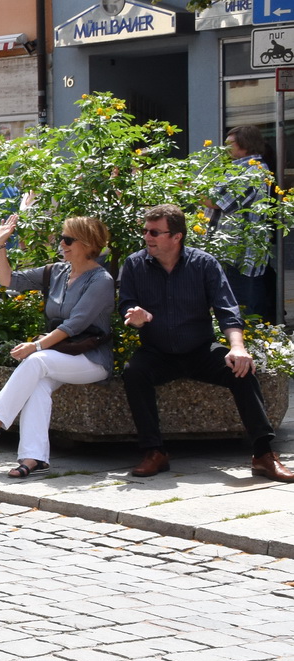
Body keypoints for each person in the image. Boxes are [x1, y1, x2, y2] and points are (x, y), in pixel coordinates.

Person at [119, 204, 294, 481]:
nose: (147, 237)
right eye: (145, 231)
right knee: (134, 372)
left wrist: (238, 347)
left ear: (176, 236)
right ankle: (154, 451)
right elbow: (127, 304)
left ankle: (263, 454)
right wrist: (136, 317)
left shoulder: (203, 263)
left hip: (200, 350)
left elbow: (227, 309)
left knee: (241, 370)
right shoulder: (134, 264)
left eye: (154, 232)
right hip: (157, 351)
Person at [0, 215, 116, 477]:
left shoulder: (101, 280)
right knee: (39, 385)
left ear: (88, 243)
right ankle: (34, 458)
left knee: (36, 360)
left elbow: (75, 325)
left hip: (92, 359)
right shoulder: (56, 271)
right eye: (62, 238)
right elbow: (8, 280)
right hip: (60, 355)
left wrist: (36, 346)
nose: (61, 243)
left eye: (68, 239)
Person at [205, 123, 275, 322]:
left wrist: (187, 189)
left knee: (239, 308)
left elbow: (217, 202)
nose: (225, 148)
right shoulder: (242, 167)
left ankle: (248, 338)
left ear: (245, 144)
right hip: (232, 250)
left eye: (230, 144)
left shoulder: (251, 170)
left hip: (238, 252)